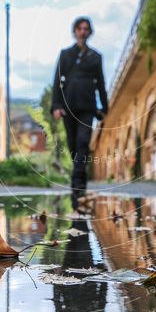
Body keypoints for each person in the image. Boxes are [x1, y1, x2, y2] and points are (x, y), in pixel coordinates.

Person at [51, 16, 108, 212]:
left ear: (89, 32)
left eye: (86, 29)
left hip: (88, 108)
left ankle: (78, 186)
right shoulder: (66, 54)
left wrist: (104, 108)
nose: (82, 31)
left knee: (83, 143)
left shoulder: (95, 57)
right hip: (68, 107)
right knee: (74, 146)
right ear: (75, 31)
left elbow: (100, 83)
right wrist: (56, 105)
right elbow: (57, 81)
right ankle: (78, 179)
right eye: (79, 28)